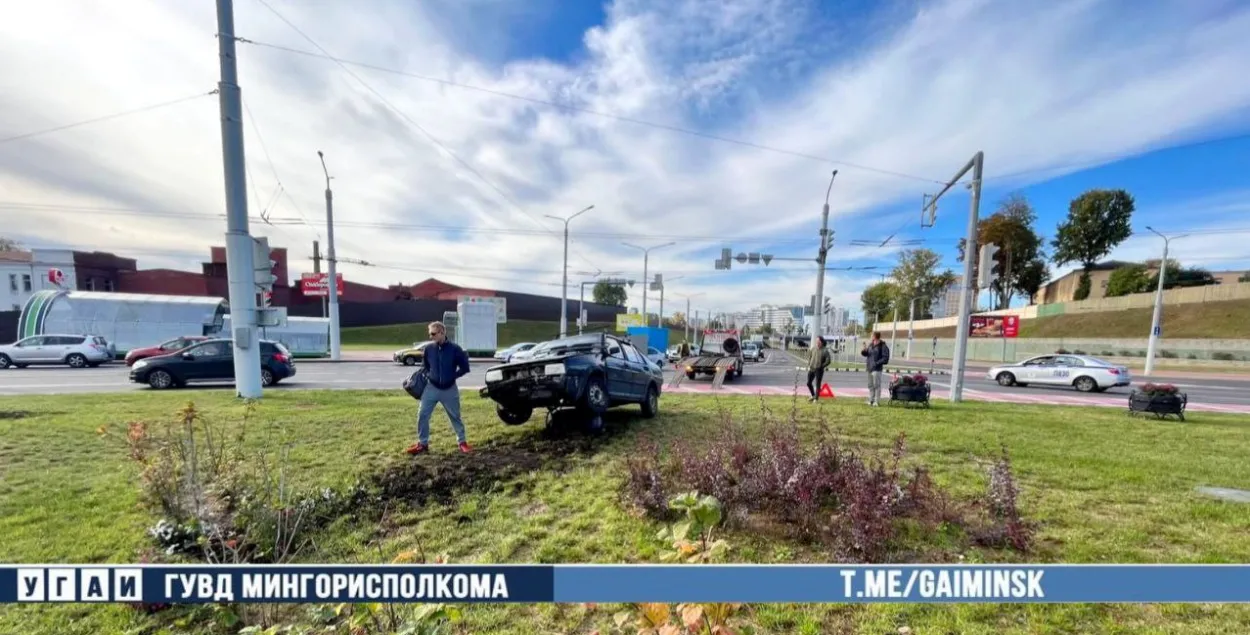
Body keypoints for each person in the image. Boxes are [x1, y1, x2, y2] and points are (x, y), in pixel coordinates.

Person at [407, 321, 472, 455]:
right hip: (431, 388)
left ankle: (462, 442)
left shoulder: (455, 349)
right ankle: (422, 444)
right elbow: (426, 367)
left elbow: (465, 368)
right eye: (430, 334)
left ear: (442, 333)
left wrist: (452, 376)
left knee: (455, 416)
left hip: (449, 389)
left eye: (433, 334)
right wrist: (428, 376)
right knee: (422, 415)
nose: (431, 337)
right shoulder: (429, 349)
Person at [861, 331, 890, 406]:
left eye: (871, 335)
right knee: (870, 385)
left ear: (875, 336)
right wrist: (864, 350)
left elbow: (885, 358)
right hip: (869, 368)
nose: (870, 337)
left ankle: (877, 401)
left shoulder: (882, 346)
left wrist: (876, 363)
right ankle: (871, 400)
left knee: (876, 385)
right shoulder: (871, 344)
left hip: (877, 369)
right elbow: (867, 354)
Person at [806, 336, 831, 402]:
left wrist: (821, 366)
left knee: (817, 384)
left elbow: (828, 361)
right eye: (816, 341)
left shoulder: (825, 350)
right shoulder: (813, 348)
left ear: (822, 342)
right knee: (808, 383)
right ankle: (813, 395)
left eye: (818, 341)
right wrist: (809, 363)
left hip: (819, 370)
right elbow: (810, 356)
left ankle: (816, 399)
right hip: (812, 368)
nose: (817, 342)